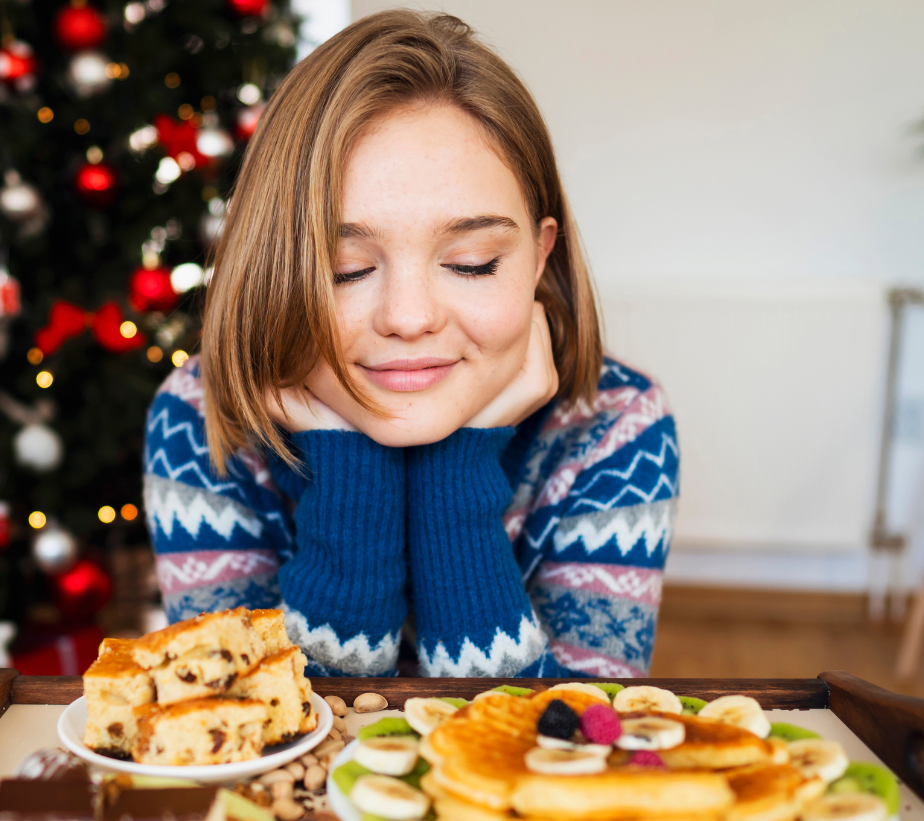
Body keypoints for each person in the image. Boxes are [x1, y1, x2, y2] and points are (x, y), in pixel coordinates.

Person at [142, 10, 677, 679]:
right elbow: (237, 741)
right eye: (345, 270)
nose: (409, 317)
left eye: (474, 261)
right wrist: (350, 478)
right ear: (272, 265)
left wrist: (456, 485)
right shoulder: (199, 420)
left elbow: (568, 762)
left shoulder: (617, 428)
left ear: (540, 257)